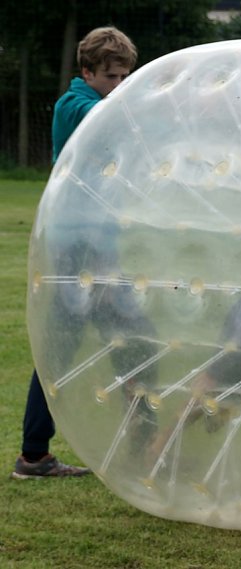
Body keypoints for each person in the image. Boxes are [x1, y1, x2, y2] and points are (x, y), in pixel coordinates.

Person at [12, 26, 138, 479]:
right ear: (87, 73)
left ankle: (144, 442)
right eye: (111, 76)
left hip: (99, 244)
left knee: (131, 339)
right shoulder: (75, 105)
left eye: (126, 77)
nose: (119, 86)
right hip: (77, 249)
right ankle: (33, 456)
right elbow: (104, 118)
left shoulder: (105, 103)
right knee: (64, 352)